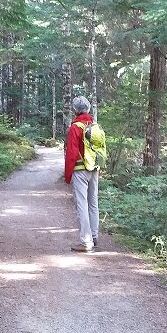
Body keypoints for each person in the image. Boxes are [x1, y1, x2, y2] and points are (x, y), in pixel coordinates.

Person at [65, 96, 99, 252]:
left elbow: (71, 152)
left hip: (80, 170)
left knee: (82, 204)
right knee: (93, 203)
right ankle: (94, 235)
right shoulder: (94, 125)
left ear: (75, 110)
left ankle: (86, 241)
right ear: (88, 108)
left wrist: (68, 174)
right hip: (94, 169)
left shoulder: (75, 127)